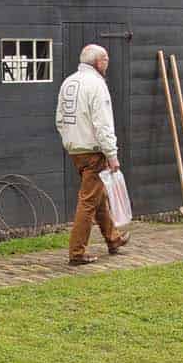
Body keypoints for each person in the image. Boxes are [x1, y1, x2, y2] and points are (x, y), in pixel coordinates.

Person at [54, 43, 127, 266]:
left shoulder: (69, 82)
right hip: (93, 151)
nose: (108, 63)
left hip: (75, 148)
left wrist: (69, 141)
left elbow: (60, 118)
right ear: (99, 62)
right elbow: (103, 124)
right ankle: (77, 253)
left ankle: (113, 239)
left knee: (98, 196)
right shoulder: (97, 85)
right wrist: (112, 155)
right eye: (106, 59)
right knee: (88, 201)